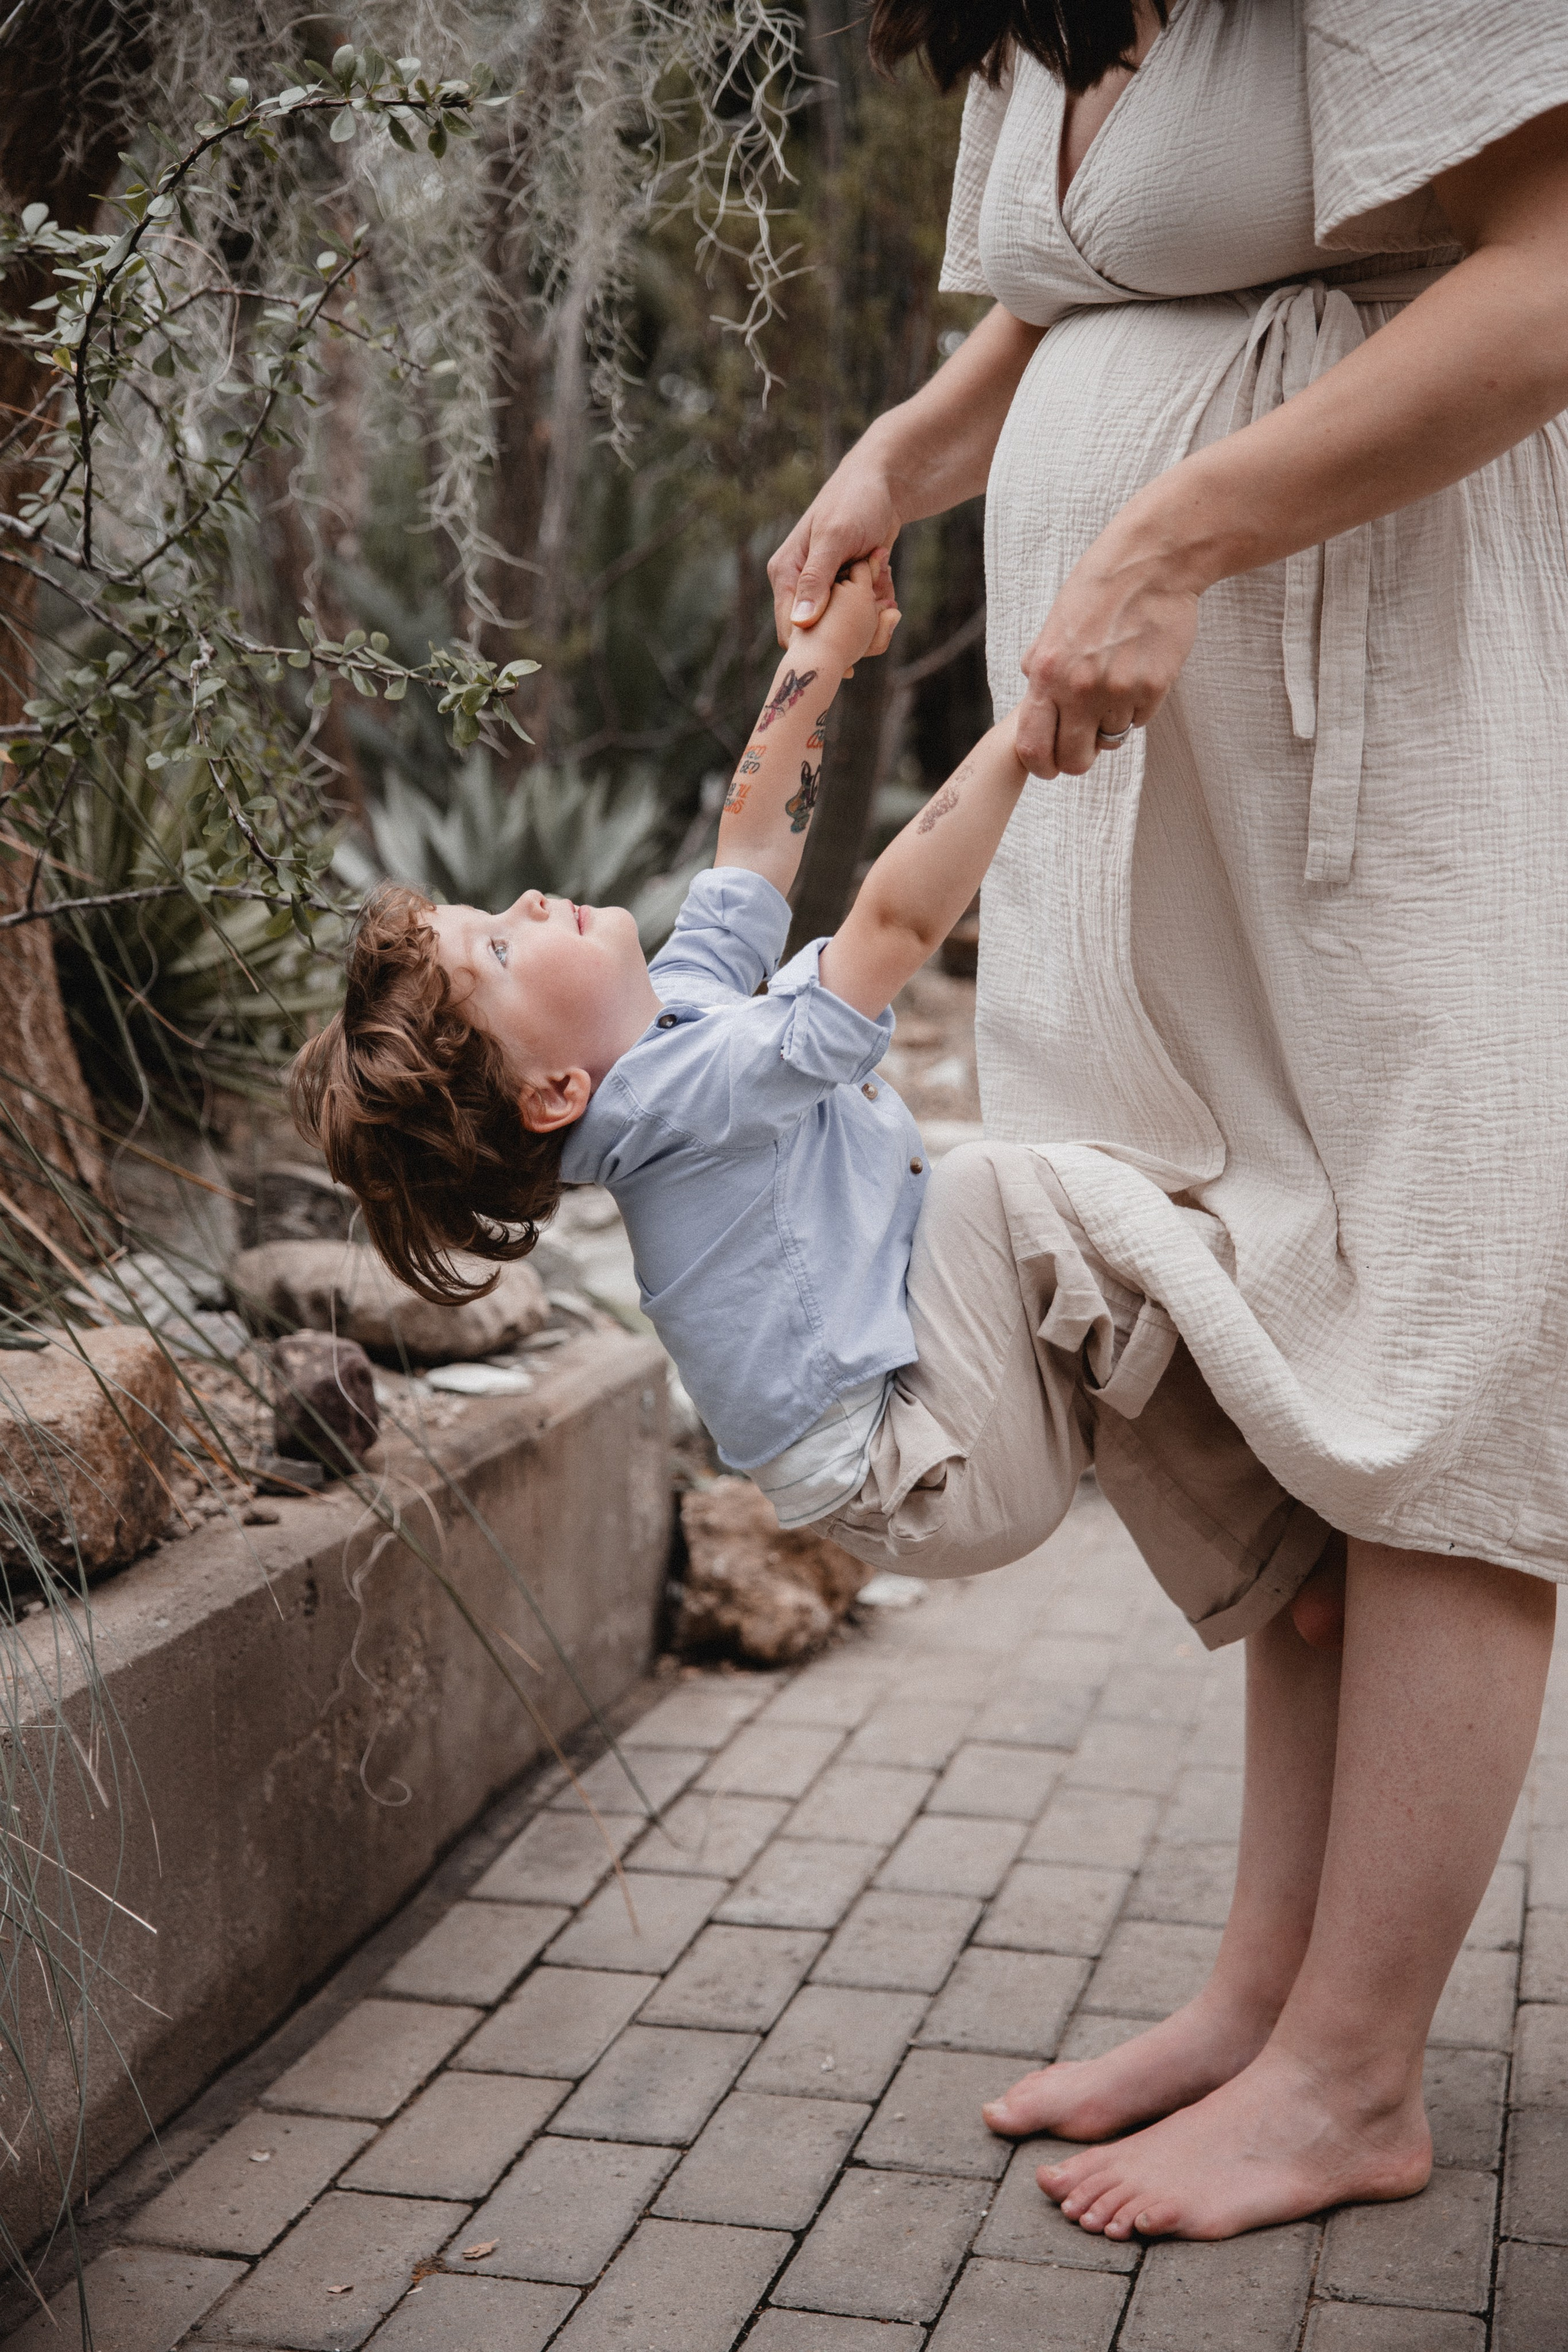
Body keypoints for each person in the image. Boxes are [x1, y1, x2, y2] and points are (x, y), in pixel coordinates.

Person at [767, 0, 1568, 2246]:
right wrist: (903, 456)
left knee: (1430, 1315)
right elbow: (1089, 286)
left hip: (1385, 683)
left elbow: (1550, 279)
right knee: (1238, 1310)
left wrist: (1179, 530)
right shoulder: (1039, 8)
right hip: (1160, 763)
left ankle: (1354, 2073)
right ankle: (1263, 1992)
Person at [292, 560, 1333, 1668]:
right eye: (499, 949)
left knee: (995, 1207)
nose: (530, 901)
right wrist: (1022, 736)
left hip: (919, 1427)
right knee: (994, 1192)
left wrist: (819, 656)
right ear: (556, 1092)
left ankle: (1270, 1563)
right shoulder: (677, 1104)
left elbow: (752, 850)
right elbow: (890, 927)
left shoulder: (673, 1021)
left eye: (493, 911)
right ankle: (1277, 1348)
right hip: (915, 1468)